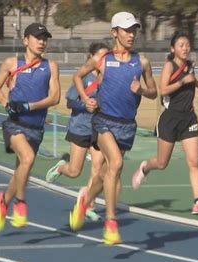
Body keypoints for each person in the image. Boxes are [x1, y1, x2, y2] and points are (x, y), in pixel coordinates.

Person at [69, 11, 158, 245]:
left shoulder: (143, 62)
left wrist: (141, 90)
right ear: (114, 32)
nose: (132, 34)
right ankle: (110, 222)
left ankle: (84, 203)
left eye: (134, 30)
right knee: (116, 164)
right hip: (103, 121)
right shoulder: (102, 60)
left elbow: (154, 92)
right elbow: (78, 76)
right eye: (127, 30)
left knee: (102, 174)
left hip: (127, 126)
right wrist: (85, 98)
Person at [130, 31, 198, 215]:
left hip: (189, 118)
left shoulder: (190, 65)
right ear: (173, 49)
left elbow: (192, 79)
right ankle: (145, 167)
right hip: (169, 119)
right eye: (181, 45)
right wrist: (183, 81)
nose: (185, 48)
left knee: (194, 161)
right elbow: (163, 90)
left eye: (187, 44)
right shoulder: (169, 65)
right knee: (162, 163)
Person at [0, 23, 60, 232]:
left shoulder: (51, 66)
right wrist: (7, 104)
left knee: (20, 172)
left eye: (44, 38)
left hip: (36, 127)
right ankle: (20, 204)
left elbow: (55, 97)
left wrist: (30, 106)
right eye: (38, 37)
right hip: (15, 125)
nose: (42, 42)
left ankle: (3, 202)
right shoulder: (12, 63)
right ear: (25, 40)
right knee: (28, 159)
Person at [45, 42, 120, 221]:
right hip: (80, 127)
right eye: (100, 56)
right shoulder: (85, 78)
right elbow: (70, 102)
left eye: (106, 56)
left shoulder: (109, 78)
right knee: (74, 171)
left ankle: (88, 205)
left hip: (99, 129)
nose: (103, 60)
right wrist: (85, 104)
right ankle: (62, 167)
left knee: (98, 169)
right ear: (91, 57)